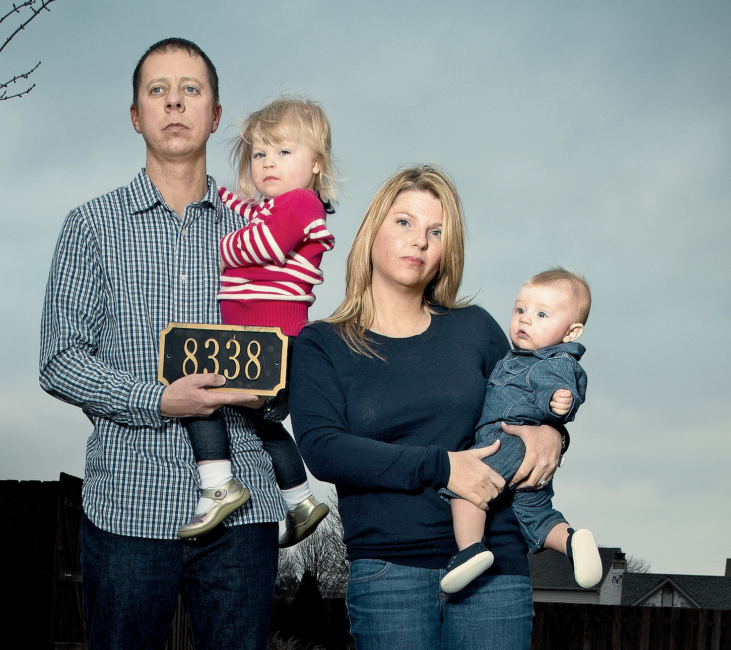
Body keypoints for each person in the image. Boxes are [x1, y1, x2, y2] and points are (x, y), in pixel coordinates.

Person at [39, 38, 285, 650]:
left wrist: (271, 393)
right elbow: (60, 359)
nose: (174, 103)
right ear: (135, 115)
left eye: (191, 90)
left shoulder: (259, 230)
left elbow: (288, 338)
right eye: (158, 91)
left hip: (245, 501)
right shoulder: (91, 225)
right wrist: (157, 400)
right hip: (128, 499)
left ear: (217, 115)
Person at [289, 164, 565, 649]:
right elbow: (323, 448)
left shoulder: (476, 329)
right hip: (388, 570)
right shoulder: (321, 344)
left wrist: (553, 436)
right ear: (372, 229)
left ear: (444, 252)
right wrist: (442, 469)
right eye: (404, 222)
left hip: (495, 565)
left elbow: (531, 403)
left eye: (435, 231)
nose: (419, 240)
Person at [178, 97, 336, 547]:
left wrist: (218, 248)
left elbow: (265, 244)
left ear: (316, 164)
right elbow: (243, 208)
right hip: (260, 341)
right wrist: (209, 191)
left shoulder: (303, 204)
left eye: (284, 153)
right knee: (262, 424)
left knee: (199, 396)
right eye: (260, 153)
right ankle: (301, 501)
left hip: (269, 340)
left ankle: (218, 485)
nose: (269, 163)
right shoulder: (273, 205)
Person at [439, 268, 602, 594]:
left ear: (571, 333)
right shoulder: (519, 356)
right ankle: (571, 541)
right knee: (534, 514)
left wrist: (559, 403)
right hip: (526, 456)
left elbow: (561, 388)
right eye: (520, 310)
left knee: (467, 487)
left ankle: (470, 549)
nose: (526, 320)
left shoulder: (552, 362)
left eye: (541, 314)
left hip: (506, 441)